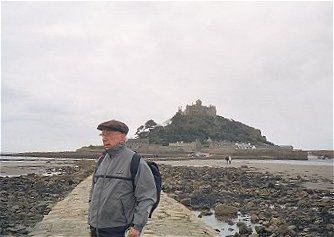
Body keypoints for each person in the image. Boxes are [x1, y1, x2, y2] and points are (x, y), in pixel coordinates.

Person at [88, 119, 157, 237]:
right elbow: (94, 191)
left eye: (109, 134)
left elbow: (147, 196)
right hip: (96, 227)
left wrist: (137, 227)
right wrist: (91, 220)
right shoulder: (101, 160)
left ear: (122, 137)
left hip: (119, 228)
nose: (104, 138)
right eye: (102, 135)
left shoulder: (136, 161)